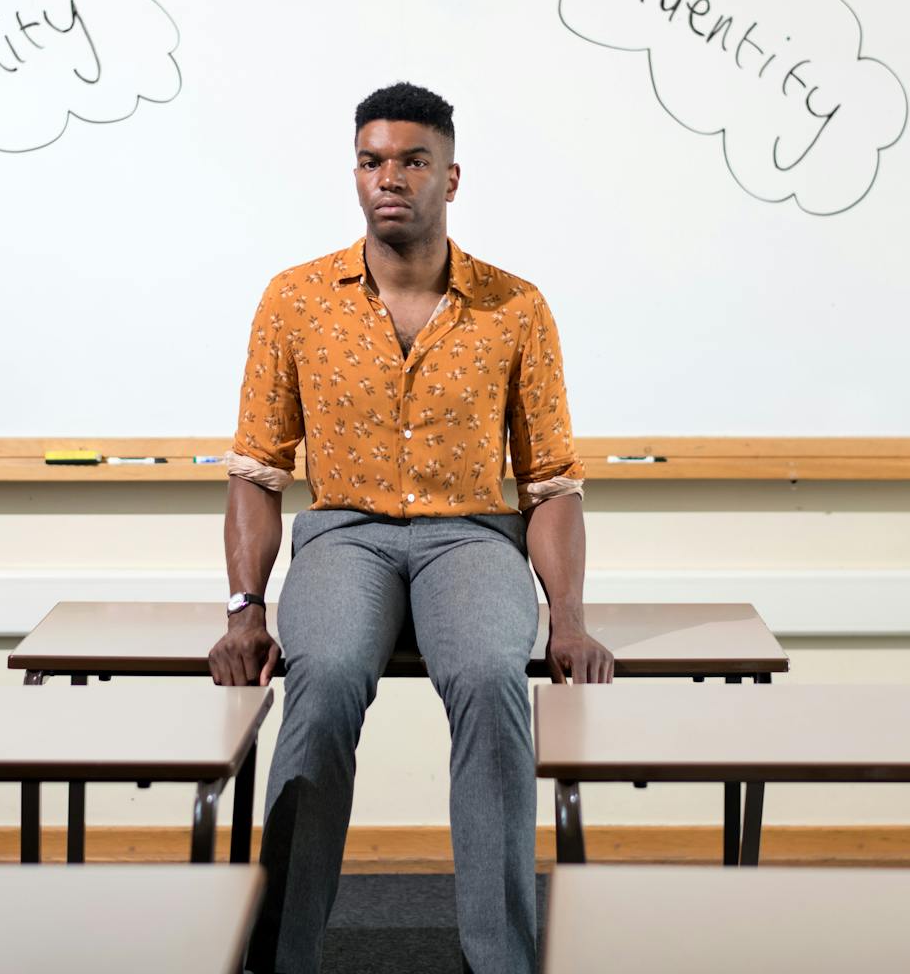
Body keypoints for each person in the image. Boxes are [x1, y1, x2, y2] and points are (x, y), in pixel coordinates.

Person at [210, 82, 613, 974]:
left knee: (488, 680)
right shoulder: (296, 300)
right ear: (356, 172)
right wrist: (245, 608)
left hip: (470, 536)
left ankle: (500, 960)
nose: (388, 177)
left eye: (411, 160)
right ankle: (281, 957)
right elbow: (256, 469)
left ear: (451, 177)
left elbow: (550, 481)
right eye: (371, 160)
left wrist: (571, 618)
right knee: (324, 683)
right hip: (344, 535)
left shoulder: (516, 307)